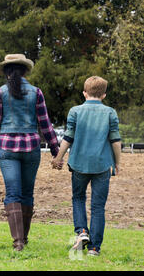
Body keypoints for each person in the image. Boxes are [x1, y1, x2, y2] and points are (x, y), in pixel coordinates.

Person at [0, 54, 60, 251]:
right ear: (25, 71)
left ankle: (18, 243)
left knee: (13, 193)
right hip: (32, 148)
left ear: (7, 71)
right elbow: (45, 124)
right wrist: (55, 150)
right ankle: (23, 238)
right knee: (27, 193)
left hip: (7, 148)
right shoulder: (36, 92)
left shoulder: (0, 93)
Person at [52, 76, 121, 256]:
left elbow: (68, 137)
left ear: (84, 93)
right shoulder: (110, 113)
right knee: (98, 207)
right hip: (102, 164)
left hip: (79, 164)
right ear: (104, 95)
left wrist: (58, 157)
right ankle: (94, 248)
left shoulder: (75, 111)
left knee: (78, 198)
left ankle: (82, 231)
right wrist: (118, 163)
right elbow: (115, 141)